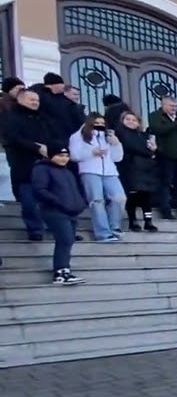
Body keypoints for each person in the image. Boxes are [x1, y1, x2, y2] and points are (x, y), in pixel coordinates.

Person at [30, 143, 87, 285]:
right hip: (53, 211)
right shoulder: (42, 169)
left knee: (68, 240)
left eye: (66, 156)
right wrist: (58, 202)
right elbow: (40, 189)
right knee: (65, 239)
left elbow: (76, 190)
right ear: (51, 155)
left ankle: (65, 270)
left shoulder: (67, 172)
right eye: (60, 156)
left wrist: (81, 203)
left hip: (71, 212)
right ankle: (60, 272)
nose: (64, 159)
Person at [1, 88, 54, 240]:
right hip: (24, 164)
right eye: (32, 100)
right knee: (29, 201)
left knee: (51, 199)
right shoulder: (10, 117)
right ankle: (35, 229)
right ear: (21, 100)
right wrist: (36, 147)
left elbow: (51, 137)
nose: (35, 103)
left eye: (37, 100)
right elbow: (13, 138)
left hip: (46, 164)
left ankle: (55, 227)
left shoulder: (42, 118)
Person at [68, 113, 126, 242]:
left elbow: (117, 158)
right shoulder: (79, 136)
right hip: (90, 171)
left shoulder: (107, 136)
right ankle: (103, 233)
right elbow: (74, 155)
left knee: (119, 198)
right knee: (97, 201)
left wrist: (116, 144)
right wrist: (91, 152)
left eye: (102, 123)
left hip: (110, 172)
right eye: (96, 123)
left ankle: (114, 228)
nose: (100, 126)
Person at [146, 96, 177, 220]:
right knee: (165, 183)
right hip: (166, 156)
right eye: (171, 106)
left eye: (175, 106)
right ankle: (166, 210)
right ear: (163, 105)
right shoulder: (155, 116)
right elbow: (158, 130)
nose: (174, 108)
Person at [116, 111, 160, 233]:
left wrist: (153, 150)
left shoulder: (144, 135)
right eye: (128, 119)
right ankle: (132, 220)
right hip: (129, 168)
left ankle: (148, 220)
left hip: (146, 169)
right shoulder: (120, 133)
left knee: (146, 196)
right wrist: (147, 151)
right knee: (132, 196)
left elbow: (153, 150)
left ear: (138, 123)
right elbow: (130, 146)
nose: (131, 121)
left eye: (134, 120)